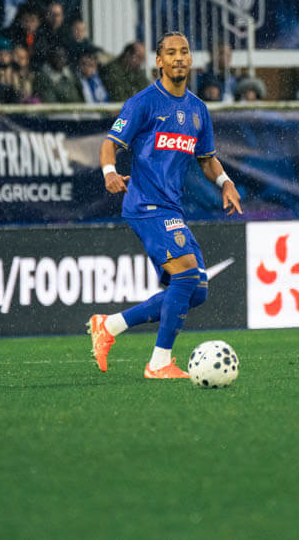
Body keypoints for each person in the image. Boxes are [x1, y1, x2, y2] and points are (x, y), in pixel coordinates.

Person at [86, 31, 242, 379]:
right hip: (145, 204)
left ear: (191, 59)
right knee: (185, 275)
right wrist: (110, 172)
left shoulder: (198, 110)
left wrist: (226, 182)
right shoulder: (143, 102)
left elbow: (207, 159)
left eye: (184, 51)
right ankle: (159, 363)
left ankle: (109, 326)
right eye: (170, 53)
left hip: (171, 208)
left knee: (196, 291)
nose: (179, 57)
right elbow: (110, 144)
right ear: (159, 61)